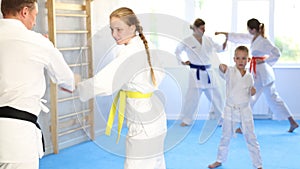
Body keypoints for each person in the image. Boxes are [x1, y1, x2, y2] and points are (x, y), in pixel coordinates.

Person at [77, 7, 167, 169]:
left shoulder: (130, 52)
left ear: (132, 28)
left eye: (119, 29)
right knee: (155, 164)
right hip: (155, 116)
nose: (114, 34)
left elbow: (106, 83)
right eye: (112, 29)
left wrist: (78, 85)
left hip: (143, 122)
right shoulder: (146, 45)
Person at [0, 0, 76, 168]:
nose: (34, 22)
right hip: (16, 139)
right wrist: (47, 47)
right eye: (35, 15)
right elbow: (67, 80)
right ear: (25, 12)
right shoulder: (37, 41)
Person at [215, 18, 298, 133]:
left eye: (249, 29)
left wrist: (265, 61)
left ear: (253, 29)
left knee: (248, 99)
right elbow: (241, 37)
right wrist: (226, 34)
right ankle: (292, 122)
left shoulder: (264, 41)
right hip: (262, 74)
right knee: (274, 99)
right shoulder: (254, 37)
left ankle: (243, 127)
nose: (248, 31)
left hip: (262, 74)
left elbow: (276, 53)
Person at [208, 46, 263, 169]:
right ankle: (219, 159)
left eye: (243, 58)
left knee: (251, 138)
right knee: (225, 136)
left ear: (248, 60)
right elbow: (223, 69)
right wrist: (221, 66)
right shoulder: (230, 72)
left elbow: (250, 91)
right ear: (234, 59)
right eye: (238, 58)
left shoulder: (249, 76)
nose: (240, 61)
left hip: (245, 110)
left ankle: (258, 164)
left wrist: (252, 91)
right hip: (230, 110)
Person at [175, 18, 226, 134]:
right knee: (191, 99)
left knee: (216, 97)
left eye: (204, 27)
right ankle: (187, 119)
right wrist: (183, 61)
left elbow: (220, 49)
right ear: (196, 29)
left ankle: (221, 119)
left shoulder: (208, 39)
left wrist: (226, 40)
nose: (204, 30)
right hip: (195, 73)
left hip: (208, 72)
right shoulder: (187, 40)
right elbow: (177, 51)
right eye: (202, 28)